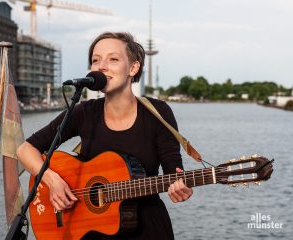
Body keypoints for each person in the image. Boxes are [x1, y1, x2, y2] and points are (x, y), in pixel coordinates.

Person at [17, 32, 193, 239]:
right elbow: (25, 149)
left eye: (113, 59)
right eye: (95, 60)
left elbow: (175, 171)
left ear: (133, 68)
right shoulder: (83, 112)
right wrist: (52, 180)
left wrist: (180, 185)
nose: (102, 66)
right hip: (90, 232)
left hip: (148, 229)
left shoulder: (157, 112)